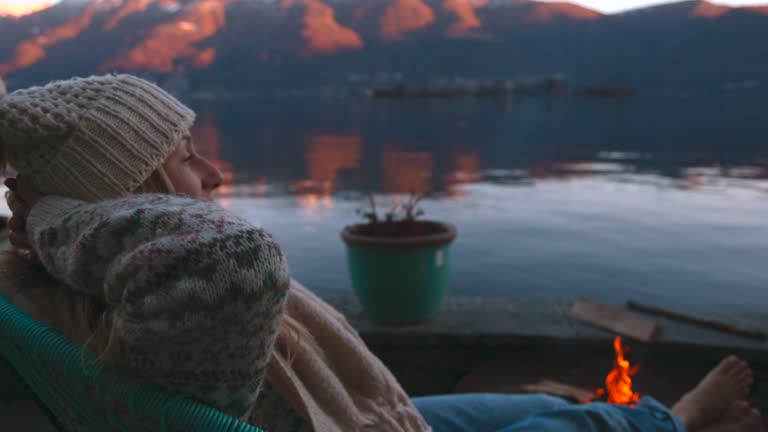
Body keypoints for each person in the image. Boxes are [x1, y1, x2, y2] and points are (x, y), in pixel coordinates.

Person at [0, 74, 762, 432]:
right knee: (570, 428)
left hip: (355, 416)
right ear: (131, 196)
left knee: (532, 402)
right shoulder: (175, 297)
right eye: (186, 159)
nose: (214, 173)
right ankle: (675, 422)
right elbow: (234, 264)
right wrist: (62, 216)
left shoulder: (79, 284)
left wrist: (53, 222)